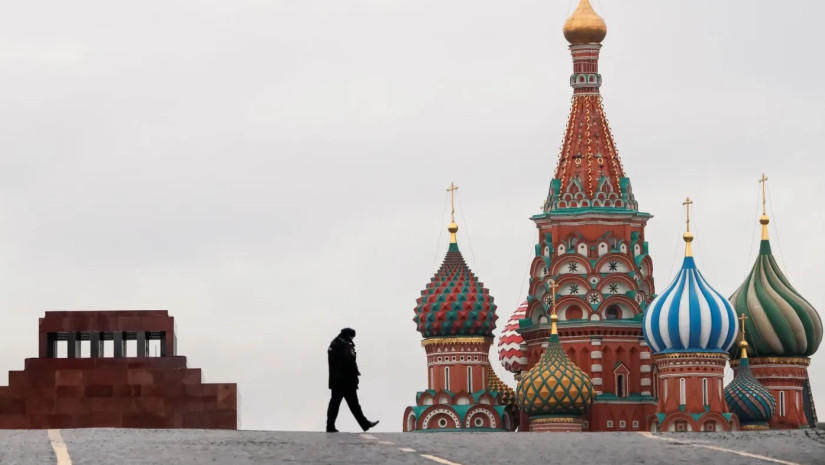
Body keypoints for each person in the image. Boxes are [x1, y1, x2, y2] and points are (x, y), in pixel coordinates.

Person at [326, 327, 379, 433]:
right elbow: (350, 362)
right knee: (354, 404)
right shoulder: (345, 344)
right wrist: (355, 376)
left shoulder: (334, 344)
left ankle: (330, 426)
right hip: (346, 381)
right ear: (349, 336)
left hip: (336, 380)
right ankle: (365, 424)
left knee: (335, 404)